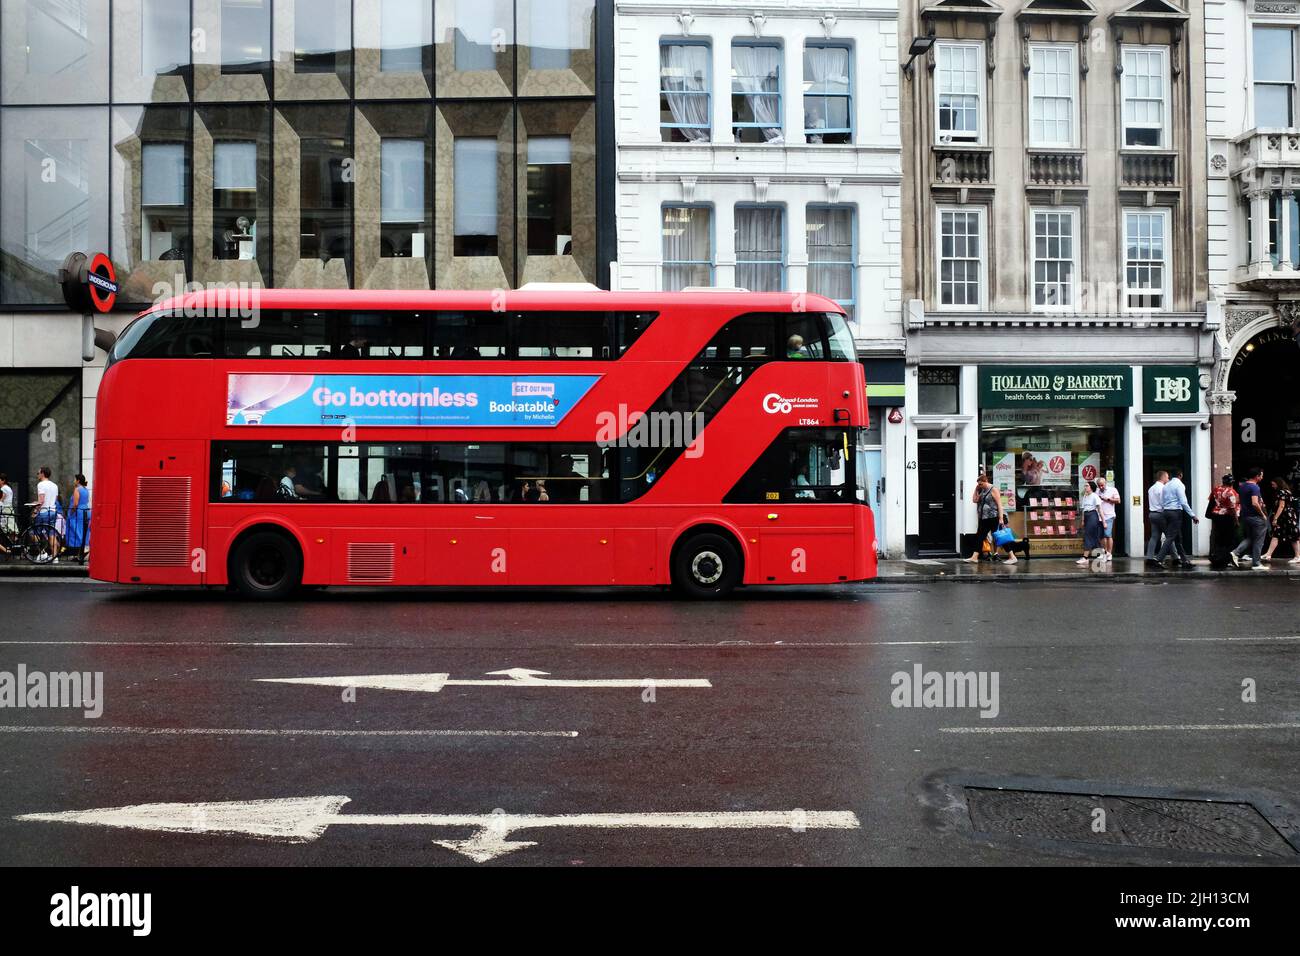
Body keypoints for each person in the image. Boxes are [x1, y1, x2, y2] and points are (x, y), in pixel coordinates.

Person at [965, 472, 1015, 564]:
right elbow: (975, 500)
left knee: (1000, 537)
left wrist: (1001, 518)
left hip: (994, 517)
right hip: (984, 518)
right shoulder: (983, 490)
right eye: (978, 484)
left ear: (985, 481)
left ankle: (1012, 557)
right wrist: (976, 490)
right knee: (980, 537)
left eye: (980, 484)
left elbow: (999, 504)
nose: (979, 485)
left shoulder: (993, 489)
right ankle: (974, 557)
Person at [1156, 469, 1197, 568]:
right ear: (1180, 475)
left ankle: (1184, 561)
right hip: (1175, 513)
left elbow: (1162, 501)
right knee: (1170, 537)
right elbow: (1183, 502)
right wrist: (1192, 515)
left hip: (1166, 512)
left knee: (1178, 538)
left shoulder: (1166, 486)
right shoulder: (1179, 485)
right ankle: (1158, 559)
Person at [1231, 468, 1269, 570]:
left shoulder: (1242, 487)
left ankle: (1235, 552)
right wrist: (1263, 514)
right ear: (1257, 476)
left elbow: (1237, 501)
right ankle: (1256, 564)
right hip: (1256, 517)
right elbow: (1255, 503)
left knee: (1251, 538)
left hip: (1245, 516)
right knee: (1258, 540)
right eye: (1261, 475)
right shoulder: (1255, 487)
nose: (1262, 477)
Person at [1261, 477, 1299, 564]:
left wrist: (1275, 518)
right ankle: (1268, 554)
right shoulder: (1288, 491)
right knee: (1277, 534)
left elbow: (1281, 506)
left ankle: (1298, 556)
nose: (1272, 486)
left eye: (1273, 484)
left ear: (1278, 483)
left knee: (1293, 536)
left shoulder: (1282, 492)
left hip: (1286, 517)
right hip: (1288, 516)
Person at [1206, 473, 1240, 570]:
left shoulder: (1216, 489)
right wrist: (1236, 521)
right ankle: (1224, 559)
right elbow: (1232, 508)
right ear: (1231, 482)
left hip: (1216, 516)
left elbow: (1211, 500)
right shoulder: (1231, 492)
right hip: (1227, 517)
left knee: (1218, 538)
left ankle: (1216, 557)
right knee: (1228, 539)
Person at [34, 466, 60, 563]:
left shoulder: (41, 485)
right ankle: (54, 557)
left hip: (43, 512)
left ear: (42, 474)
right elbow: (56, 500)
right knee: (51, 534)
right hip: (52, 511)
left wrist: (35, 511)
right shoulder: (55, 485)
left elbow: (41, 500)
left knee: (33, 533)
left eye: (38, 473)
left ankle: (42, 552)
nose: (37, 475)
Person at [65, 474, 91, 563]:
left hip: (78, 512)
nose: (73, 481)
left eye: (74, 479)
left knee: (76, 531)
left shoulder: (77, 489)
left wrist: (71, 512)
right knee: (84, 532)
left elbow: (75, 504)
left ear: (78, 481)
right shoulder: (86, 490)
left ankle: (82, 552)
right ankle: (81, 553)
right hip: (86, 511)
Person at [1145, 470, 1168, 565]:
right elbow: (1163, 502)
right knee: (1170, 536)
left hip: (1152, 514)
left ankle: (1149, 557)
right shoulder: (1163, 488)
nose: (1168, 479)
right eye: (1167, 477)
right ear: (1162, 477)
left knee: (1154, 536)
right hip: (1160, 514)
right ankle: (1175, 557)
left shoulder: (1151, 488)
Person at [1095, 475, 1121, 563]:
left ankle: (1109, 553)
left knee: (1107, 534)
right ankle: (1104, 552)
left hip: (1109, 515)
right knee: (1101, 535)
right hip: (1099, 516)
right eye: (1099, 485)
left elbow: (1118, 501)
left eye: (1102, 485)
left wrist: (1108, 499)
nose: (1101, 487)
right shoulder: (1097, 490)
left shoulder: (1113, 490)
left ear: (1106, 483)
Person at [1077, 480, 1103, 566]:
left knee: (1087, 535)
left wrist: (1104, 521)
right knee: (1093, 535)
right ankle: (1102, 553)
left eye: (1087, 486)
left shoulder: (1095, 496)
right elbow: (1083, 510)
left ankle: (1085, 557)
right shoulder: (1085, 496)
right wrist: (1083, 520)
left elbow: (1100, 509)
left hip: (1093, 515)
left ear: (1091, 487)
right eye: (1085, 486)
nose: (1085, 487)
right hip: (1087, 515)